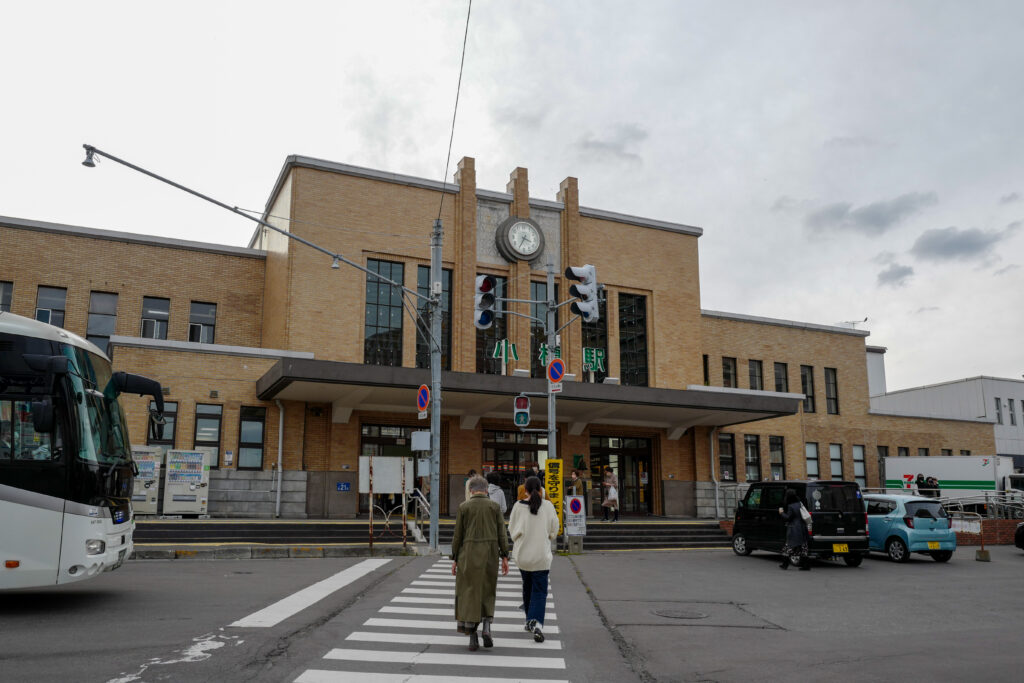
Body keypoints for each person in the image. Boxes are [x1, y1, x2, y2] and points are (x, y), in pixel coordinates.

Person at [451, 475, 509, 651]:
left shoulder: (464, 507)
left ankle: (473, 637)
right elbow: (502, 533)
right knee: (487, 591)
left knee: (469, 593)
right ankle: (486, 628)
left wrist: (454, 558)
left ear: (471, 490)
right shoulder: (495, 507)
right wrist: (505, 556)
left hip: (468, 555)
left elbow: (457, 536)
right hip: (490, 555)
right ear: (486, 490)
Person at [508, 475, 559, 643]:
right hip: (541, 556)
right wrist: (547, 536)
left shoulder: (518, 506)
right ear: (540, 489)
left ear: (526, 490)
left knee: (527, 586)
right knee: (539, 590)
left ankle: (529, 618)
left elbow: (512, 529)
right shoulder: (548, 506)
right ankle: (535, 621)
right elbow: (554, 529)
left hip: (523, 556)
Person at [778, 488, 811, 570]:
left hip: (794, 528)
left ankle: (785, 564)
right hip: (803, 527)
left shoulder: (790, 506)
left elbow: (788, 517)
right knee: (803, 547)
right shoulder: (800, 503)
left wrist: (781, 513)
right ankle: (806, 565)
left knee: (789, 546)